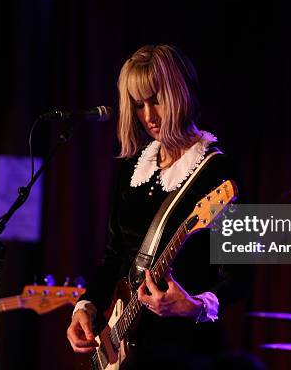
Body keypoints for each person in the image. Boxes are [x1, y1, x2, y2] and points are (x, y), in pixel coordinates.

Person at [66, 44, 249, 365]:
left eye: (157, 100)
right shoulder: (133, 167)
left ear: (181, 94)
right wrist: (87, 305)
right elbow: (113, 255)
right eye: (139, 105)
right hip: (125, 345)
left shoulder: (218, 171)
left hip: (184, 350)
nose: (148, 116)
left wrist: (194, 305)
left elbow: (240, 277)